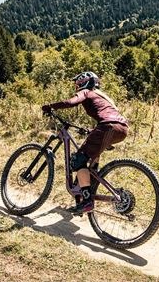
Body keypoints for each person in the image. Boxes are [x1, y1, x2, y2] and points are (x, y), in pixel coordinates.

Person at [42, 71, 128, 214]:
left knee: (78, 161)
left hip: (108, 127)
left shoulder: (87, 92)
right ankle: (86, 193)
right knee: (91, 161)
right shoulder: (104, 97)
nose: (76, 86)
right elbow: (108, 115)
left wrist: (49, 107)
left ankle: (87, 201)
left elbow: (70, 102)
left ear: (83, 82)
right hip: (121, 129)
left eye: (77, 83)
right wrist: (92, 130)